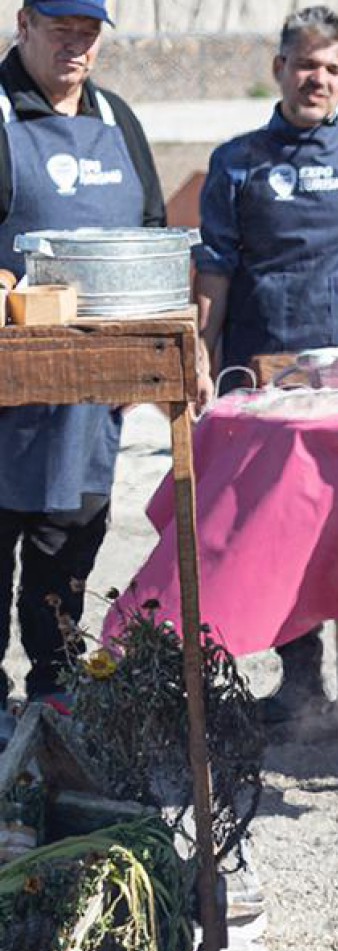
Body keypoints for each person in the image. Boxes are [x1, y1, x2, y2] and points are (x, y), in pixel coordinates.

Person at [193, 5, 338, 731]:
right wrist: (201, 362)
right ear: (279, 71)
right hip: (263, 374)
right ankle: (299, 684)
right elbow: (215, 272)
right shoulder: (236, 160)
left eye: (331, 68)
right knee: (283, 531)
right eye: (304, 65)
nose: (316, 80)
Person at [0, 0, 164, 745]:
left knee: (66, 558)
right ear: (23, 25)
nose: (76, 46)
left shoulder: (116, 117)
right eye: (61, 29)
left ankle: (54, 702)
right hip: (5, 391)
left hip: (87, 399)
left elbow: (155, 233)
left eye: (89, 34)